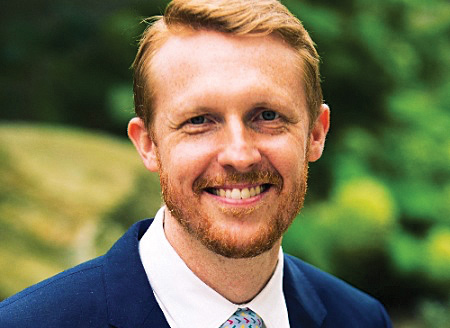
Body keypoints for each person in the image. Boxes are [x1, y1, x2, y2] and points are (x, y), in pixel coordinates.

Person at [0, 0, 392, 327]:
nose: (239, 154)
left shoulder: (361, 318)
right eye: (200, 121)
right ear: (149, 144)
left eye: (267, 116)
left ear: (315, 134)